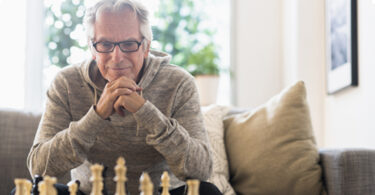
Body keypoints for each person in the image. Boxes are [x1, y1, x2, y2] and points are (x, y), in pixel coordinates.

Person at [23, 0, 221, 194]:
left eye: (128, 44)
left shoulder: (179, 83)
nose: (117, 57)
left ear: (146, 47)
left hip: (161, 192)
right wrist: (96, 116)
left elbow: (201, 169)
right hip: (90, 192)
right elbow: (39, 168)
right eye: (105, 44)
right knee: (26, 192)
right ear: (92, 49)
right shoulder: (66, 83)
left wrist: (146, 112)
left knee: (207, 191)